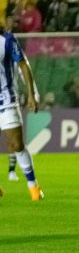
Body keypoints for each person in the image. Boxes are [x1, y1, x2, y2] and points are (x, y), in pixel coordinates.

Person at [0, 26, 44, 200]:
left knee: (17, 145)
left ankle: (33, 187)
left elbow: (23, 65)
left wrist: (32, 94)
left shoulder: (8, 40)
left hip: (7, 99)